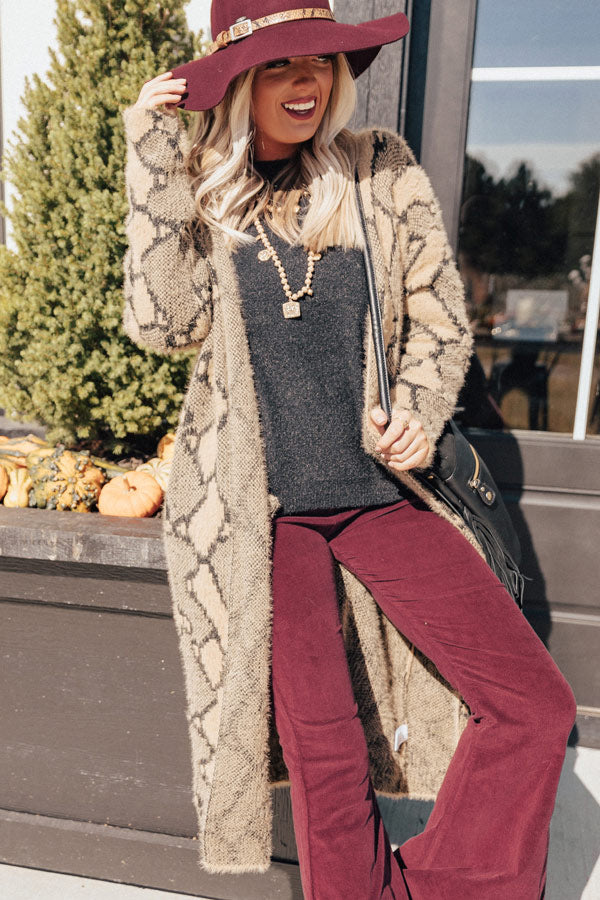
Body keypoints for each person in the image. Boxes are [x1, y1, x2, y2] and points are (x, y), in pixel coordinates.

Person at [121, 3, 576, 897]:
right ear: (240, 81)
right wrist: (152, 154)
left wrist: (418, 411)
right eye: (282, 65)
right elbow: (162, 322)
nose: (308, 82)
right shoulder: (200, 189)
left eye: (321, 63)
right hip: (266, 517)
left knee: (533, 703)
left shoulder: (378, 171)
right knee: (325, 757)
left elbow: (440, 318)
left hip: (378, 495)